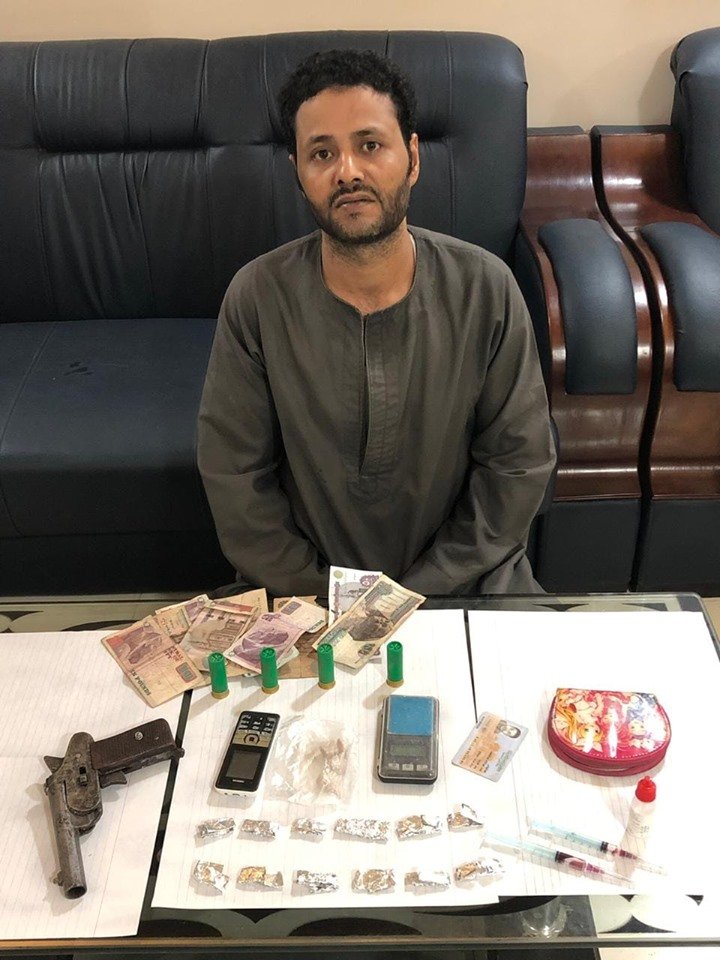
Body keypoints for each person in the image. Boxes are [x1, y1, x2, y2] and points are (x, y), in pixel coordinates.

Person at [197, 49, 555, 599]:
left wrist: (410, 599)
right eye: (322, 153)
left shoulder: (486, 289)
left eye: (369, 145)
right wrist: (325, 599)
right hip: (301, 597)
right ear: (298, 173)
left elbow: (516, 466)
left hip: (468, 585)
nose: (347, 172)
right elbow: (236, 479)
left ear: (412, 158)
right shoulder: (257, 297)